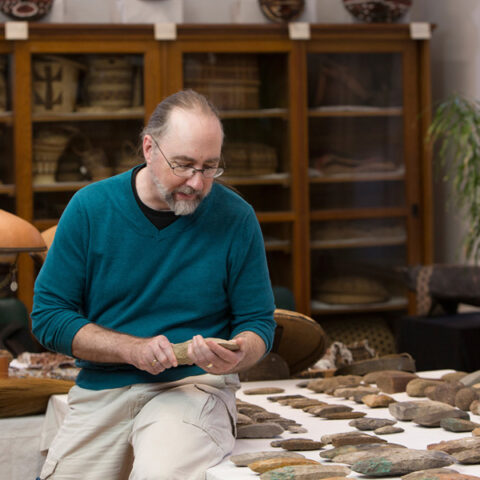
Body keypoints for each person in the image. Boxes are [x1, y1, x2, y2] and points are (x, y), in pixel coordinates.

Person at [31, 89, 276, 480]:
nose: (197, 183)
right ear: (149, 148)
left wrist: (240, 352)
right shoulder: (90, 208)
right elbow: (48, 318)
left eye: (210, 167)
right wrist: (132, 349)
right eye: (184, 165)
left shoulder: (236, 217)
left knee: (160, 472)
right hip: (103, 389)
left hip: (195, 386)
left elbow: (259, 322)